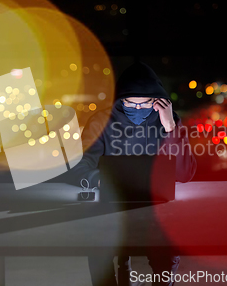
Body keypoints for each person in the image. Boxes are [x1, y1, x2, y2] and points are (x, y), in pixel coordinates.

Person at [71, 61, 197, 286]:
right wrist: (97, 180)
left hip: (156, 207)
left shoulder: (167, 122)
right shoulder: (102, 121)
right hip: (111, 205)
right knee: (100, 249)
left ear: (157, 102)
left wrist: (170, 128)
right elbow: (81, 165)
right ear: (121, 99)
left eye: (145, 103)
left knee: (164, 250)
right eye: (130, 102)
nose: (137, 109)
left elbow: (185, 173)